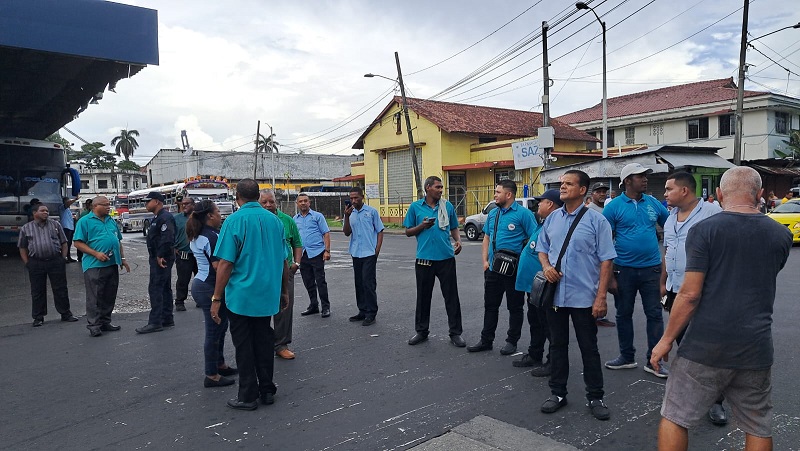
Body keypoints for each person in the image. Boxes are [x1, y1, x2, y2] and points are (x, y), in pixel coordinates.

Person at [651, 167, 792, 451]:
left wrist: (665, 341)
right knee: (757, 424)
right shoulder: (780, 235)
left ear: (718, 194)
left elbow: (690, 294)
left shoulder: (704, 230)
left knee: (675, 416)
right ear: (760, 194)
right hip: (756, 345)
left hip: (705, 343)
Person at [537, 170, 616, 421]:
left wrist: (601, 297)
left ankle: (595, 396)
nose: (562, 187)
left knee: (588, 348)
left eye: (568, 184)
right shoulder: (552, 219)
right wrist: (547, 267)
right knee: (557, 345)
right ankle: (557, 393)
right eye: (562, 183)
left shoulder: (597, 221)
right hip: (556, 296)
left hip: (584, 297)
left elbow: (606, 260)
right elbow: (542, 248)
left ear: (582, 190)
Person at [212, 179, 289, 411]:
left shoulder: (234, 221)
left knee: (244, 346)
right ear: (257, 196)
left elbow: (225, 263)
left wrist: (216, 298)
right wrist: (284, 290)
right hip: (267, 294)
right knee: (264, 342)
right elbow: (283, 260)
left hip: (242, 297)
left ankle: (247, 395)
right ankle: (267, 389)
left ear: (238, 197)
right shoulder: (275, 221)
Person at [660, 171, 725, 424]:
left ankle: (716, 402)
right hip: (676, 290)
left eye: (668, 189)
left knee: (708, 348)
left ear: (684, 191)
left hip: (703, 292)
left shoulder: (712, 214)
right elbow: (668, 250)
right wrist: (663, 281)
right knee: (685, 346)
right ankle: (694, 396)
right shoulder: (670, 218)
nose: (665, 194)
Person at [603, 163, 670, 377]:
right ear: (628, 180)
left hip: (652, 269)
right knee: (623, 314)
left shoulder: (653, 203)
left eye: (645, 176)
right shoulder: (613, 207)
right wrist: (610, 276)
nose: (645, 179)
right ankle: (626, 356)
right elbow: (604, 242)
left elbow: (669, 226)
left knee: (654, 314)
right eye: (640, 176)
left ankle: (654, 360)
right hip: (623, 270)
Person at [467, 180, 536, 355]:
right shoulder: (493, 214)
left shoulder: (524, 214)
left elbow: (535, 239)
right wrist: (485, 262)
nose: (495, 195)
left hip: (513, 270)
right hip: (493, 269)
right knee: (490, 306)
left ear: (509, 194)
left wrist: (523, 262)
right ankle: (486, 340)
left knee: (515, 307)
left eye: (498, 192)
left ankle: (511, 341)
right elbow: (487, 239)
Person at [403, 176, 465, 347]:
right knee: (423, 297)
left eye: (441, 187)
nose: (440, 190)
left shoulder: (447, 206)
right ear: (428, 188)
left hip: (446, 258)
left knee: (451, 297)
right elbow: (408, 231)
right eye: (437, 187)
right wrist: (422, 226)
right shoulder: (416, 207)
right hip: (424, 259)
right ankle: (421, 332)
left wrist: (458, 240)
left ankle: (455, 333)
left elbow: (453, 227)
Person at [186, 200, 238, 388]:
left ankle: (220, 364)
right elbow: (219, 267)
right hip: (209, 287)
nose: (220, 215)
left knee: (220, 328)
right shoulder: (211, 236)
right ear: (209, 215)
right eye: (217, 212)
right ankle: (211, 374)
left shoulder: (202, 233)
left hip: (203, 284)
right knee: (213, 331)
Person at [512, 189, 562, 377]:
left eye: (541, 201)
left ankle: (553, 362)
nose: (538, 205)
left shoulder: (555, 226)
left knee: (548, 325)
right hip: (533, 286)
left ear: (550, 204)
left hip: (544, 287)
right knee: (535, 321)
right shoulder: (543, 223)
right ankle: (535, 354)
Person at [72, 196, 130, 337]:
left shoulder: (111, 221)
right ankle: (94, 324)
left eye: (109, 204)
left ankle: (105, 321)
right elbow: (77, 243)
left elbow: (118, 241)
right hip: (94, 265)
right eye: (105, 205)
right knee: (95, 296)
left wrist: (122, 258)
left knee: (109, 294)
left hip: (112, 263)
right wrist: (95, 253)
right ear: (95, 206)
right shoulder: (84, 221)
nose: (108, 207)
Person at [17, 203, 79, 327]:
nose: (46, 213)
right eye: (43, 211)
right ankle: (38, 317)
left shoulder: (55, 225)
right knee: (37, 291)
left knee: (60, 288)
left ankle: (65, 313)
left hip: (55, 261)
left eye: (47, 211)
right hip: (36, 262)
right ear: (34, 213)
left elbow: (64, 243)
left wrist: (62, 258)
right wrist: (27, 263)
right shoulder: (26, 228)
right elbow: (22, 247)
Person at [259, 190, 303, 359]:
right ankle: (264, 343)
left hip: (285, 271)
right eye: (264, 202)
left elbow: (297, 243)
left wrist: (296, 263)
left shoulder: (287, 220)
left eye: (271, 202)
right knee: (262, 309)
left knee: (284, 308)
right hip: (262, 272)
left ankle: (281, 344)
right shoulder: (257, 220)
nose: (268, 205)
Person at [343, 186, 384, 326]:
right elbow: (346, 232)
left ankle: (371, 312)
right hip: (356, 252)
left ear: (362, 197)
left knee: (368, 282)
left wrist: (377, 250)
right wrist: (347, 216)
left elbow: (380, 230)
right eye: (351, 198)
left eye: (356, 198)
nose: (353, 200)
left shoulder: (371, 212)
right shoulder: (350, 213)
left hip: (369, 253)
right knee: (359, 283)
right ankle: (362, 310)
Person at [136, 191, 177, 334]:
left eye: (148, 201)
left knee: (156, 288)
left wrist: (160, 255)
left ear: (157, 202)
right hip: (159, 257)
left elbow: (167, 238)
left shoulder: (165, 217)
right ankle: (166, 318)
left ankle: (155, 322)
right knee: (164, 288)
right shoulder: (157, 217)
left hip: (161, 258)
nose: (146, 204)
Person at [294, 193, 332, 318]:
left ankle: (326, 307)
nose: (303, 203)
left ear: (309, 203)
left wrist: (327, 251)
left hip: (317, 253)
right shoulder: (295, 219)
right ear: (297, 204)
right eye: (301, 201)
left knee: (320, 281)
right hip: (303, 254)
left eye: (305, 201)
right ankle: (313, 305)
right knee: (308, 281)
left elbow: (326, 233)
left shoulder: (317, 216)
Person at [587, 182, 616, 328]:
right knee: (596, 285)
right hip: (595, 255)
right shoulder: (590, 210)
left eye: (604, 192)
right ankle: (594, 315)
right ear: (592, 194)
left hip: (606, 252)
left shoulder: (606, 209)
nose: (602, 194)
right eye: (599, 192)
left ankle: (598, 314)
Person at [173, 196, 197, 312]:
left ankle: (200, 298)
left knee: (201, 279)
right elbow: (171, 234)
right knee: (183, 279)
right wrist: (173, 247)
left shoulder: (199, 218)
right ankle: (180, 301)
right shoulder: (176, 219)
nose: (184, 206)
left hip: (199, 254)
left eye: (187, 204)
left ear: (193, 205)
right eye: (182, 204)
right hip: (183, 254)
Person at [59, 196, 80, 262]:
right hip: (65, 227)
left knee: (69, 243)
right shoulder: (62, 207)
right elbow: (67, 204)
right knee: (65, 243)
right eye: (68, 201)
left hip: (70, 227)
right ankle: (64, 257)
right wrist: (75, 199)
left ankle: (68, 257)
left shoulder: (68, 209)